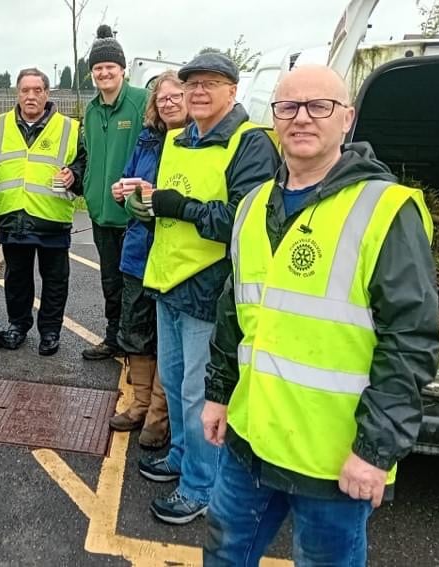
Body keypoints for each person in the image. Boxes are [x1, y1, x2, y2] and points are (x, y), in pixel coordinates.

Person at [201, 65, 439, 565]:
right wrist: (218, 394)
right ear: (274, 118)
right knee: (224, 554)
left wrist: (375, 451)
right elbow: (234, 312)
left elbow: (411, 341)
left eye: (319, 107)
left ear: (346, 119)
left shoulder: (384, 210)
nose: (302, 118)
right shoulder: (251, 206)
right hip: (250, 440)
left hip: (333, 460)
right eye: (288, 107)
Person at [127, 52, 281, 524]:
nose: (197, 92)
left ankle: (202, 486)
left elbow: (245, 221)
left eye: (210, 83)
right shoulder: (179, 138)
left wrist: (178, 207)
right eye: (192, 83)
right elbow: (167, 204)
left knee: (199, 392)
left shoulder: (249, 143)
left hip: (208, 289)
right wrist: (146, 207)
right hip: (167, 280)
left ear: (232, 92)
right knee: (173, 382)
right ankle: (180, 457)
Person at [107, 71, 188, 450]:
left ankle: (159, 415)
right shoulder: (147, 140)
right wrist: (123, 189)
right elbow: (129, 179)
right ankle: (140, 404)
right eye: (162, 98)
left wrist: (152, 193)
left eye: (176, 96)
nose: (168, 103)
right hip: (139, 250)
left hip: (174, 254)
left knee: (168, 341)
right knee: (135, 330)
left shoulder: (195, 142)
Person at [0, 68, 87, 356]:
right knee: (17, 278)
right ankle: (18, 325)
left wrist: (74, 176)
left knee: (55, 281)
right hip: (13, 216)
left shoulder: (69, 127)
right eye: (25, 90)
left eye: (37, 90)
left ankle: (50, 332)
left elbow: (85, 164)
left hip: (52, 218)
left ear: (46, 94)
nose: (31, 96)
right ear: (18, 93)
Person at [81, 25, 149, 362]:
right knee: (110, 280)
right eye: (98, 68)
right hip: (101, 212)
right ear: (92, 72)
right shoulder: (92, 110)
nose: (104, 72)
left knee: (133, 284)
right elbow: (89, 155)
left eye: (110, 66)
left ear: (122, 69)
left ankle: (134, 345)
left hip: (132, 215)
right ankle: (113, 338)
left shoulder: (141, 103)